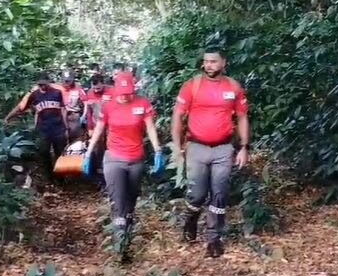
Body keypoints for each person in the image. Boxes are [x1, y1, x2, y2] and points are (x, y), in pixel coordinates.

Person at [171, 48, 249, 258]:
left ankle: (214, 239)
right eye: (206, 62)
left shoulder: (233, 87)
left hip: (224, 148)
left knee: (219, 194)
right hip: (196, 147)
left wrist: (243, 147)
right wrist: (177, 147)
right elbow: (178, 116)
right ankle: (191, 219)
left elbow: (242, 117)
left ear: (224, 62)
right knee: (196, 194)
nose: (209, 65)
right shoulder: (192, 86)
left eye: (214, 61)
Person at [83, 71, 164, 262]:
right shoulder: (108, 107)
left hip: (136, 159)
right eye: (122, 92)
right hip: (114, 159)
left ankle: (127, 227)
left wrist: (158, 150)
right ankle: (121, 246)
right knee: (118, 200)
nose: (125, 96)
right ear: (116, 89)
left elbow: (150, 127)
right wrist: (88, 153)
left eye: (129, 92)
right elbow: (99, 130)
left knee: (131, 199)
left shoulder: (142, 104)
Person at [4, 72, 68, 181]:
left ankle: (61, 178)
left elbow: (63, 109)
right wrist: (8, 117)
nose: (42, 86)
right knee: (43, 152)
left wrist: (66, 127)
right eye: (40, 85)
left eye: (44, 84)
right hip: (43, 128)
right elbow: (21, 107)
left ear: (49, 82)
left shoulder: (57, 92)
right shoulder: (34, 95)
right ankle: (50, 176)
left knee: (60, 153)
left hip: (58, 128)